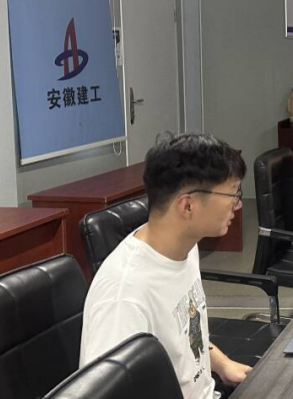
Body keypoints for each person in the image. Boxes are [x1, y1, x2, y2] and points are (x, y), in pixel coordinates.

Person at [80, 133, 253, 399]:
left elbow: (183, 335)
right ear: (187, 205)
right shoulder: (124, 296)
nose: (237, 205)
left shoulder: (185, 245)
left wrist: (221, 363)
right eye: (232, 194)